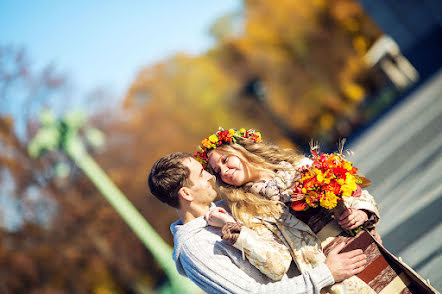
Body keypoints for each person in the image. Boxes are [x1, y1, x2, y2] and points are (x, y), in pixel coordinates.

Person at [197, 128, 437, 294]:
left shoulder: (297, 165)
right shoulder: (246, 210)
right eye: (217, 171)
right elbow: (275, 263)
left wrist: (361, 212)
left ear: (241, 150)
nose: (224, 171)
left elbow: (353, 190)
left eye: (226, 160)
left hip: (365, 249)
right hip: (338, 276)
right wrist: (236, 232)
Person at [148, 152, 368, 294]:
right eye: (201, 173)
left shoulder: (229, 207)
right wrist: (326, 273)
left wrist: (359, 210)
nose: (210, 176)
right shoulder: (195, 249)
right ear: (186, 193)